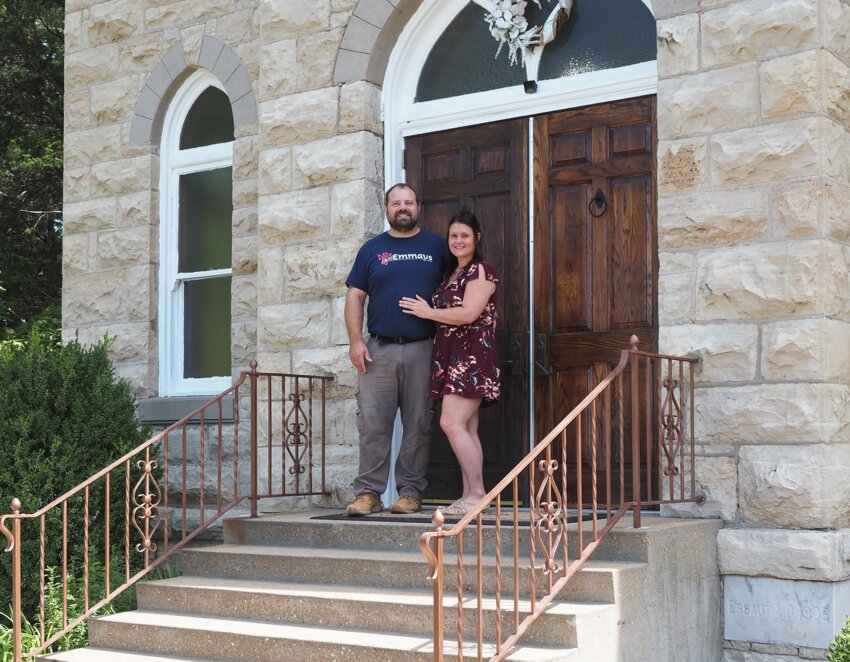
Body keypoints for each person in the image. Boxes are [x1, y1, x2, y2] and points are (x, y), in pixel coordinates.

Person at [344, 183, 447, 516]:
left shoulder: (437, 246)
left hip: (423, 349)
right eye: (396, 203)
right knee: (373, 424)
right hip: (379, 350)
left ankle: (410, 493)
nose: (403, 208)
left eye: (409, 202)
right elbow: (355, 296)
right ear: (386, 208)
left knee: (419, 424)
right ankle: (369, 494)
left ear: (419, 206)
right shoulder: (372, 250)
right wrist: (356, 341)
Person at [400, 210, 501, 516]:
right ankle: (471, 493)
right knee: (467, 426)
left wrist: (428, 312)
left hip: (471, 355)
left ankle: (478, 494)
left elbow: (469, 314)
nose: (458, 241)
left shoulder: (481, 271)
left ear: (477, 238)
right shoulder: (453, 274)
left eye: (465, 236)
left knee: (450, 422)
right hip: (451, 354)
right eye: (454, 236)